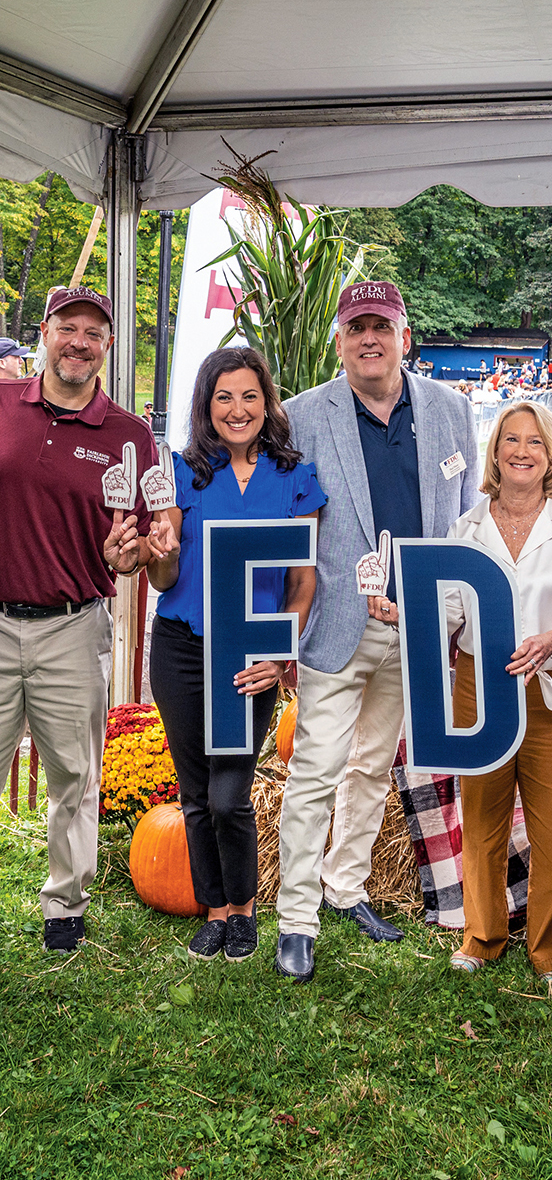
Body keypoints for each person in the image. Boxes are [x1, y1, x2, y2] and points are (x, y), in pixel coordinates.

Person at [274, 280, 479, 983]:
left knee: (371, 766)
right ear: (339, 339)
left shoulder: (452, 413)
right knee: (315, 768)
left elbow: (465, 522)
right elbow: (286, 527)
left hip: (416, 621)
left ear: (404, 336)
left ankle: (346, 886)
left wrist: (446, 610)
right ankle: (295, 917)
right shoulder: (301, 416)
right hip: (337, 622)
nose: (369, 339)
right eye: (356, 327)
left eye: (381, 326)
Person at [146, 347, 325, 962]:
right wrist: (160, 549)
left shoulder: (293, 476)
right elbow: (164, 579)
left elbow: (303, 585)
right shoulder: (181, 472)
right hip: (181, 647)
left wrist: (280, 656)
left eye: (249, 395)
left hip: (252, 655)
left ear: (266, 403)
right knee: (195, 792)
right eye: (224, 397)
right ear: (207, 406)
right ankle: (216, 911)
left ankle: (246, 910)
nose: (237, 408)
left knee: (230, 793)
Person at [0, 286, 159, 954]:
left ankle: (65, 904)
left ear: (109, 347)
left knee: (74, 776)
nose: (80, 342)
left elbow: (143, 542)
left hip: (73, 622)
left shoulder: (130, 435)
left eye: (95, 333)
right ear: (45, 332)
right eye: (69, 328)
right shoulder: (2, 404)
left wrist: (132, 554)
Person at [445, 402, 552, 979]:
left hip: (550, 690)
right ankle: (481, 937)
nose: (522, 451)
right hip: (478, 687)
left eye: (536, 442)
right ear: (495, 451)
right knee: (480, 815)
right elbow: (449, 609)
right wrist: (401, 609)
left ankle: (550, 951)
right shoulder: (466, 528)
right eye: (511, 439)